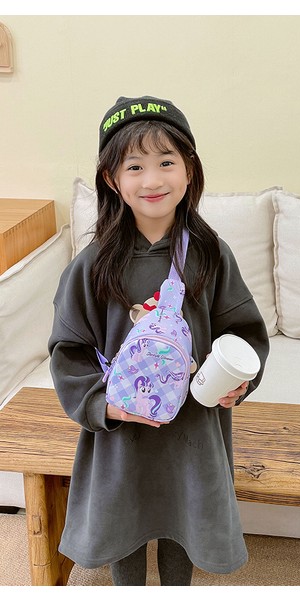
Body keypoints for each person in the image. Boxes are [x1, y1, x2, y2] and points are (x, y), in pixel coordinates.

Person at [48, 95, 269, 586]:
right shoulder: (92, 264)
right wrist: (104, 405)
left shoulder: (211, 255)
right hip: (121, 433)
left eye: (166, 162)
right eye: (135, 166)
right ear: (112, 179)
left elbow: (243, 331)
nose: (152, 180)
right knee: (124, 520)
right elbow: (69, 350)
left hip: (192, 425)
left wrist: (237, 382)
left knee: (184, 517)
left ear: (189, 169)